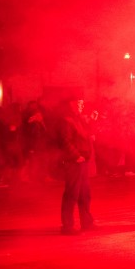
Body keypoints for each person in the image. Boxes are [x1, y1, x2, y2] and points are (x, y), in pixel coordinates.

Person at [58, 97, 95, 234]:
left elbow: (86, 135)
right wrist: (76, 156)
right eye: (79, 103)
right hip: (74, 162)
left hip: (82, 160)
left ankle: (87, 222)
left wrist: (91, 121)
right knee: (71, 194)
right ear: (71, 104)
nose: (82, 105)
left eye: (82, 103)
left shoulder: (78, 119)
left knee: (85, 193)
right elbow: (65, 141)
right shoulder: (67, 120)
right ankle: (67, 226)